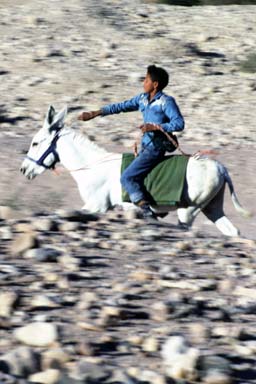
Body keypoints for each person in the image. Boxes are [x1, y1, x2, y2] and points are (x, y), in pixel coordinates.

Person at [78, 65, 185, 219]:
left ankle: (146, 211)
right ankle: (158, 205)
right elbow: (120, 106)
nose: (143, 82)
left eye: (146, 80)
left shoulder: (166, 102)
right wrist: (95, 113)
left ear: (155, 84)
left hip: (156, 147)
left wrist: (156, 127)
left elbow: (179, 123)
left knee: (127, 177)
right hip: (144, 146)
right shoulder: (142, 99)